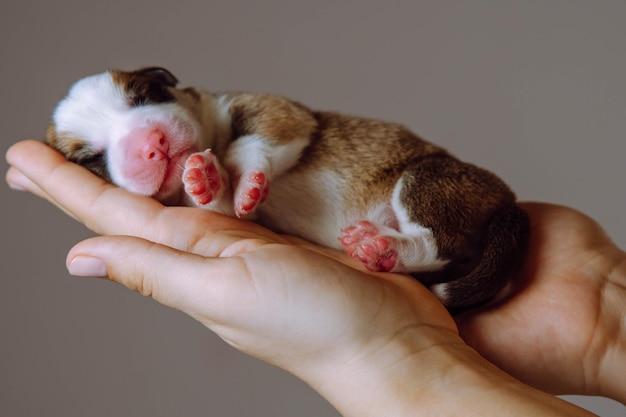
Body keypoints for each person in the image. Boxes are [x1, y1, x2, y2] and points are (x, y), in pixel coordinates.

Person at [6, 140, 626, 416]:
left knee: (429, 204)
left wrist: (389, 356)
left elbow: (289, 128)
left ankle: (416, 246)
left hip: (427, 198)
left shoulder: (246, 122)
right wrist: (607, 327)